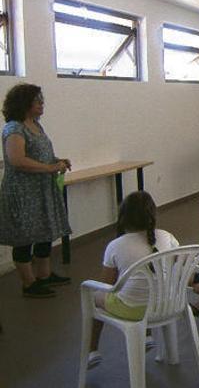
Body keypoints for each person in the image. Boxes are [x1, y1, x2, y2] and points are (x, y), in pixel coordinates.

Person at [86, 192, 179, 369]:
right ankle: (146, 336)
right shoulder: (167, 237)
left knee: (94, 297)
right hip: (167, 303)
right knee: (150, 285)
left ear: (123, 218)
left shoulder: (115, 246)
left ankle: (92, 351)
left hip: (133, 310)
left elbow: (107, 287)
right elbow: (175, 265)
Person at [0, 83, 72, 298]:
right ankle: (28, 283)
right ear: (25, 103)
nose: (42, 104)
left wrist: (57, 161)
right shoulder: (14, 128)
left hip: (41, 189)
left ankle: (44, 274)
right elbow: (17, 160)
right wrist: (50, 167)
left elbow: (39, 154)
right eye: (37, 100)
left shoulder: (35, 125)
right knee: (24, 237)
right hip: (23, 192)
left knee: (44, 232)